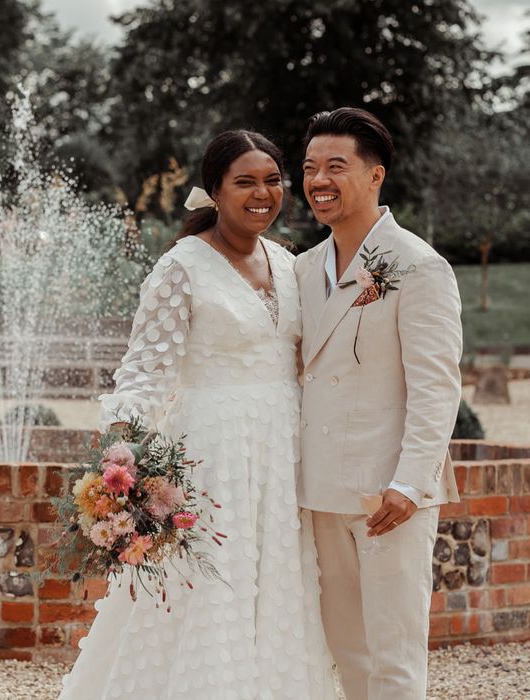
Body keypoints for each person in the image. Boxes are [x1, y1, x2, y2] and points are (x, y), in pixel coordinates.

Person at [59, 130, 336, 699]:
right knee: (211, 592)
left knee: (278, 591)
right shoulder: (181, 266)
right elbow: (144, 371)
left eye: (272, 181)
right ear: (214, 190)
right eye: (245, 182)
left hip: (283, 455)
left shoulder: (287, 263)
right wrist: (121, 468)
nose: (262, 194)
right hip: (211, 456)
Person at [295, 107, 462, 700]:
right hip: (317, 491)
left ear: (375, 176)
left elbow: (437, 386)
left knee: (393, 654)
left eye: (336, 166)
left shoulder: (418, 266)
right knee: (347, 651)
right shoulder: (302, 268)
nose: (319, 180)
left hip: (387, 495)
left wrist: (411, 485)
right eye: (311, 167)